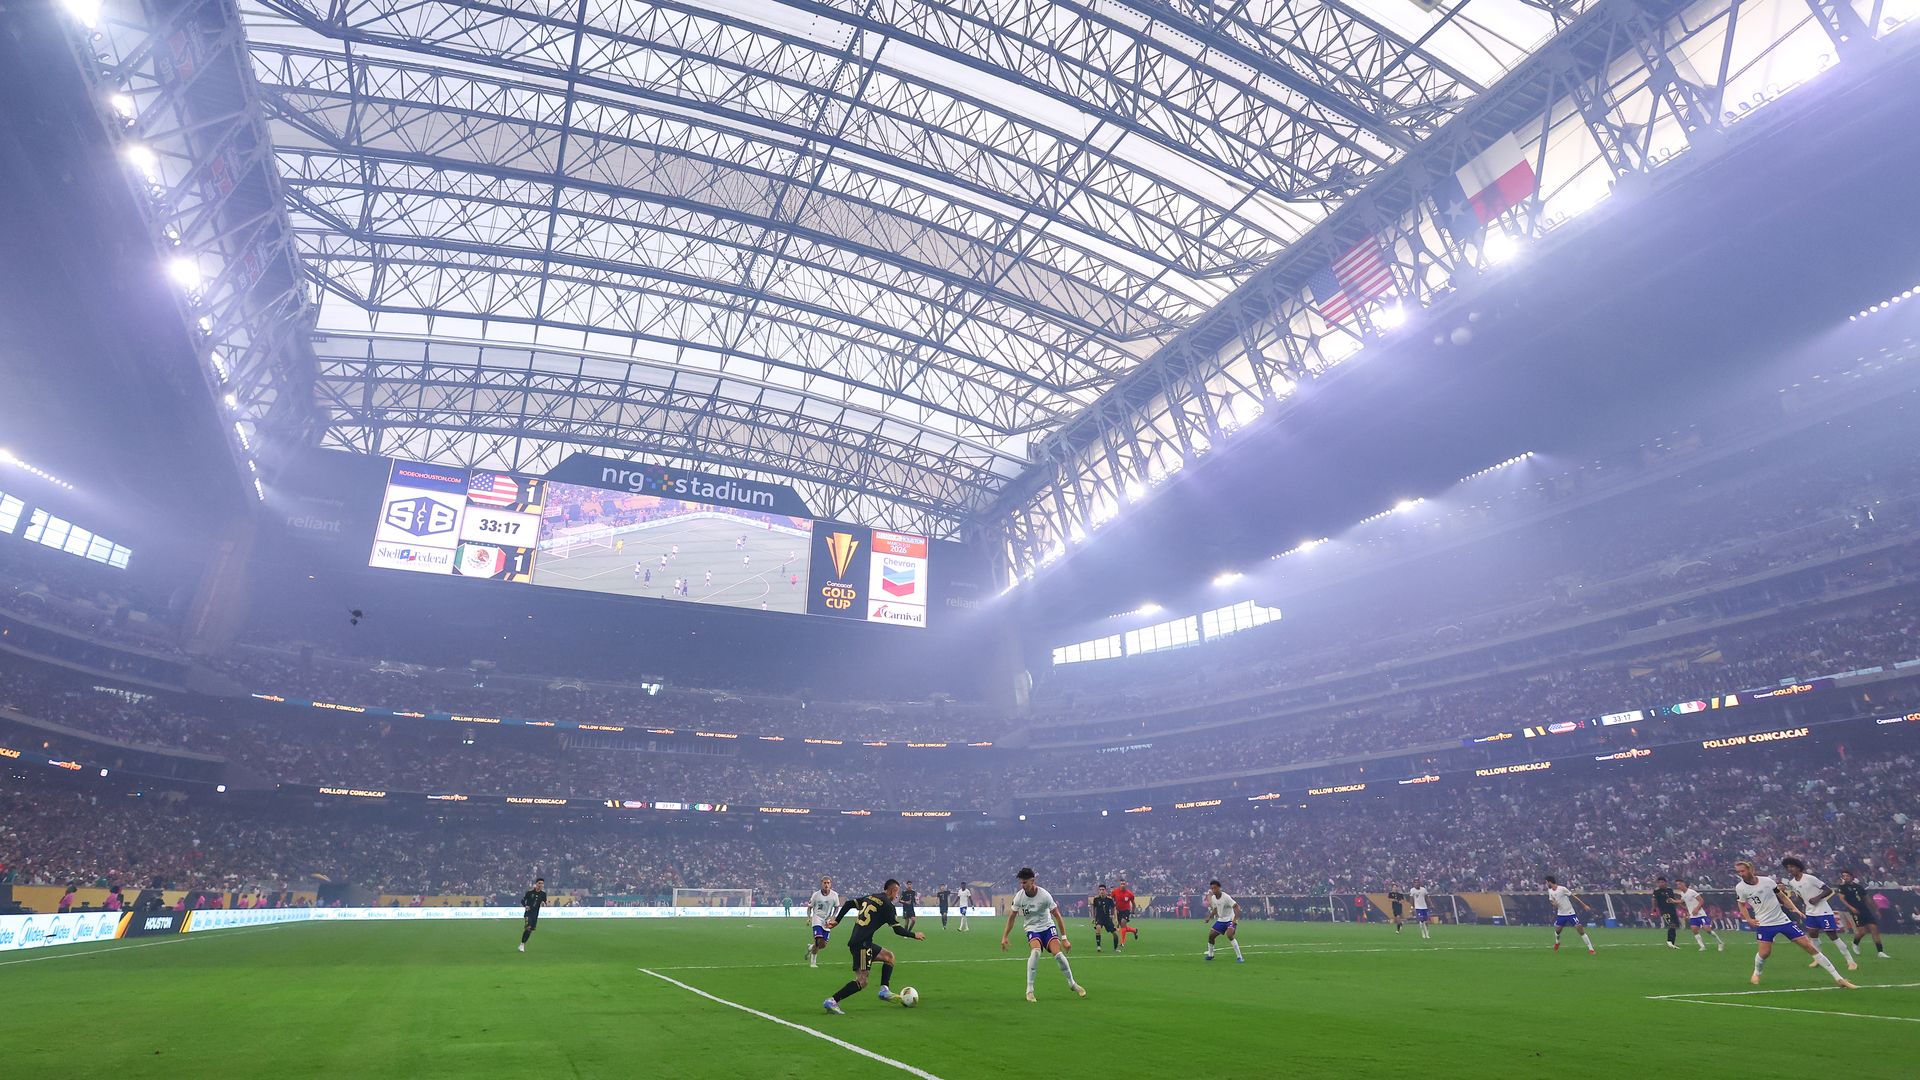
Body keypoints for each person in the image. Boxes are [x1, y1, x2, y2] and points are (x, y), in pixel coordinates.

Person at [1734, 859, 1854, 988]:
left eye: (1743, 870)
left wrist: (1794, 909)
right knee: (1765, 953)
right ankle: (1756, 973)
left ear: (1751, 869)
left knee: (1808, 946)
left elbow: (1782, 896)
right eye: (1738, 872)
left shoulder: (1767, 882)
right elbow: (1741, 904)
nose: (1741, 874)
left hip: (1783, 920)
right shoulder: (1740, 888)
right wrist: (1749, 919)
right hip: (1764, 923)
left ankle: (1839, 978)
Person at [821, 879, 924, 1014]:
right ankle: (832, 1001)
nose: (897, 896)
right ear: (892, 891)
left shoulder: (871, 897)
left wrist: (837, 921)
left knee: (889, 957)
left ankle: (884, 990)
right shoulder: (888, 906)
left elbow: (848, 903)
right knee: (862, 981)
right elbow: (898, 930)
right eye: (897, 892)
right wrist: (914, 934)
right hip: (862, 945)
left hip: (861, 942)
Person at [1003, 867, 1085, 1002]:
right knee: (1035, 952)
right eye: (1021, 883)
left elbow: (1058, 916)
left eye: (1025, 882)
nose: (1022, 885)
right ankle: (1029, 991)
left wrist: (1064, 939)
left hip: (1047, 927)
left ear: (1032, 881)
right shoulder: (1019, 897)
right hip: (1032, 928)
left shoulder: (1045, 895)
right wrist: (1005, 936)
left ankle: (1072, 983)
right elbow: (1012, 917)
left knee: (1058, 955)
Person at [1780, 857, 1858, 972]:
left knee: (1832, 935)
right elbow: (1800, 896)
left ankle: (1850, 961)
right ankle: (1818, 959)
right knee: (1813, 935)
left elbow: (1828, 890)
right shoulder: (1792, 883)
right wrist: (1802, 904)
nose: (1789, 869)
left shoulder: (1810, 878)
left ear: (1798, 867)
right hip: (1810, 912)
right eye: (1788, 868)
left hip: (1823, 911)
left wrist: (1816, 898)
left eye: (1792, 867)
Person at [1836, 870, 1891, 959]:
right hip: (1855, 911)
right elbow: (1842, 899)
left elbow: (1867, 899)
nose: (1845, 877)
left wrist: (1876, 910)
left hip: (1865, 910)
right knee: (1862, 931)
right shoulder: (1842, 887)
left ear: (1852, 877)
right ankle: (1855, 943)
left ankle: (1880, 952)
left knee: (1874, 929)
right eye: (1844, 876)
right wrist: (1851, 908)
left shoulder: (1859, 887)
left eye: (1847, 876)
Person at [1544, 876, 1596, 955]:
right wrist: (1553, 903)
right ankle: (1557, 943)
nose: (1546, 884)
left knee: (1580, 930)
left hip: (1570, 913)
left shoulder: (1562, 889)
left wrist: (1584, 905)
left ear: (1549, 882)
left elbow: (1573, 896)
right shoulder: (1550, 891)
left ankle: (1591, 949)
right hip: (1561, 914)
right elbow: (1551, 900)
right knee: (1558, 931)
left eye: (1546, 882)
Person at [1675, 877, 1724, 952]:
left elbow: (1701, 900)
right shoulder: (1682, 894)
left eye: (1680, 884)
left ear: (1684, 884)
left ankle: (1720, 943)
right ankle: (1702, 946)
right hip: (1693, 916)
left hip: (1701, 914)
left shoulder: (1692, 892)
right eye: (1677, 885)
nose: (1678, 886)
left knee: (1707, 929)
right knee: (1694, 930)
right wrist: (1674, 901)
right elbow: (1682, 901)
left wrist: (1697, 909)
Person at [1203, 880, 1243, 963]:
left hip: (1230, 919)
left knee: (1229, 935)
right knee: (1211, 936)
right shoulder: (1213, 898)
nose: (1213, 890)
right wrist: (1209, 917)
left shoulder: (1226, 897)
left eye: (1215, 888)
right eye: (1212, 888)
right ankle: (1210, 955)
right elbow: (1215, 909)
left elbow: (1237, 907)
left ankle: (1239, 957)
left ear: (1219, 888)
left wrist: (1235, 920)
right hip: (1221, 920)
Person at [806, 875, 841, 969]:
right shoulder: (816, 895)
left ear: (831, 884)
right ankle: (813, 962)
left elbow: (837, 907)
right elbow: (809, 907)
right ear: (821, 884)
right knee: (818, 940)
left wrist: (833, 917)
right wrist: (809, 918)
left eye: (828, 883)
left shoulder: (834, 895)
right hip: (817, 918)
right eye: (824, 883)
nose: (826, 885)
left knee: (823, 944)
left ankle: (811, 948)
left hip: (827, 920)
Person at [1651, 876, 1683, 949]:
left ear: (1665, 883)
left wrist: (1680, 906)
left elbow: (1673, 899)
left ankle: (1672, 943)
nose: (1660, 884)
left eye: (1662, 882)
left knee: (1675, 926)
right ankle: (1669, 941)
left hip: (1672, 910)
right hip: (1665, 911)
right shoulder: (1657, 891)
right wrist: (1654, 909)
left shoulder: (1670, 890)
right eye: (1659, 882)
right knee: (1671, 924)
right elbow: (1653, 899)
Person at [519, 876, 547, 952]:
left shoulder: (543, 894)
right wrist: (526, 906)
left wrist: (544, 904)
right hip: (528, 913)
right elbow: (522, 901)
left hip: (535, 914)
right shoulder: (529, 893)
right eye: (539, 883)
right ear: (536, 884)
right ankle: (522, 945)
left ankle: (522, 943)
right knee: (528, 927)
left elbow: (544, 902)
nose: (541, 885)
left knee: (530, 930)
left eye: (542, 883)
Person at [1090, 885, 1119, 953]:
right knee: (1098, 929)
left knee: (1115, 933)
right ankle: (1098, 946)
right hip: (1099, 918)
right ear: (1098, 891)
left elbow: (1114, 908)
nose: (1101, 891)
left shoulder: (1109, 899)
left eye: (1103, 890)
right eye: (1100, 890)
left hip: (1107, 919)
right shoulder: (1096, 899)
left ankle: (1115, 948)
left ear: (1105, 891)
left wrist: (1115, 918)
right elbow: (1093, 908)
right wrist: (1093, 917)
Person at [1112, 879, 1138, 944]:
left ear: (1126, 884)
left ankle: (1122, 942)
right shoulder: (1115, 892)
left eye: (1124, 884)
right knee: (1123, 927)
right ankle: (1134, 930)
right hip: (1118, 911)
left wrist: (1133, 911)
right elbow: (1112, 900)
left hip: (1126, 910)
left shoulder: (1129, 894)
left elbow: (1133, 903)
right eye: (1121, 884)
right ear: (1120, 884)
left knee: (1123, 923)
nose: (1123, 885)